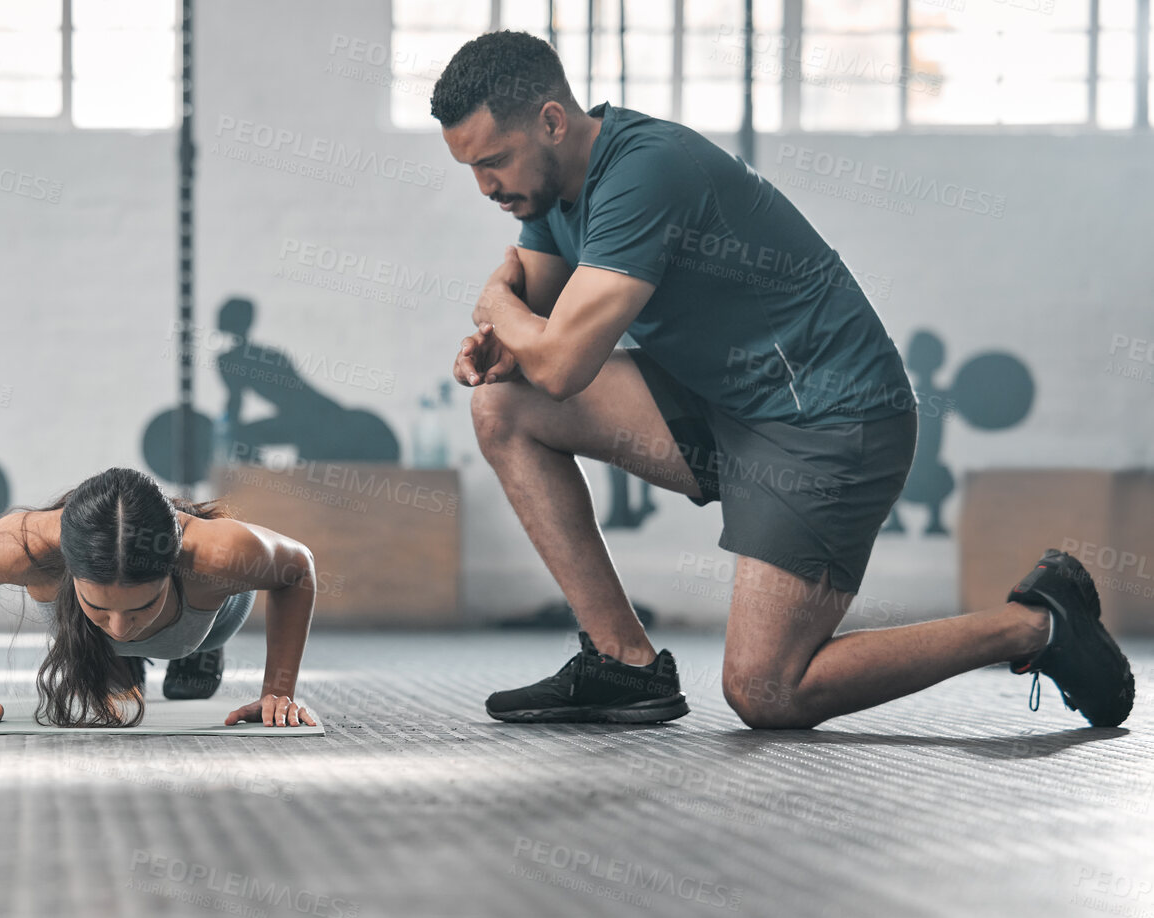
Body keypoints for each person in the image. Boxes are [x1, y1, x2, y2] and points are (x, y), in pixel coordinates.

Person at [432, 31, 1133, 728]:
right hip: (719, 405)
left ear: (552, 121)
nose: (485, 186)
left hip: (828, 421)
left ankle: (1037, 624)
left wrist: (498, 309)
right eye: (470, 167)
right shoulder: (548, 192)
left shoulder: (645, 170)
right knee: (503, 404)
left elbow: (555, 357)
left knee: (766, 691)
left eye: (493, 160)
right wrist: (504, 343)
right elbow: (541, 319)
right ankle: (623, 665)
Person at [0, 466, 318, 729]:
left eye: (141, 605)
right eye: (99, 607)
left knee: (192, 678)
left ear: (171, 568)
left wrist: (278, 692)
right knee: (109, 679)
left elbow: (299, 569)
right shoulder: (28, 548)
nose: (119, 627)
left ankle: (199, 650)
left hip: (207, 622)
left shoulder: (219, 553)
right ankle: (126, 653)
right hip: (95, 633)